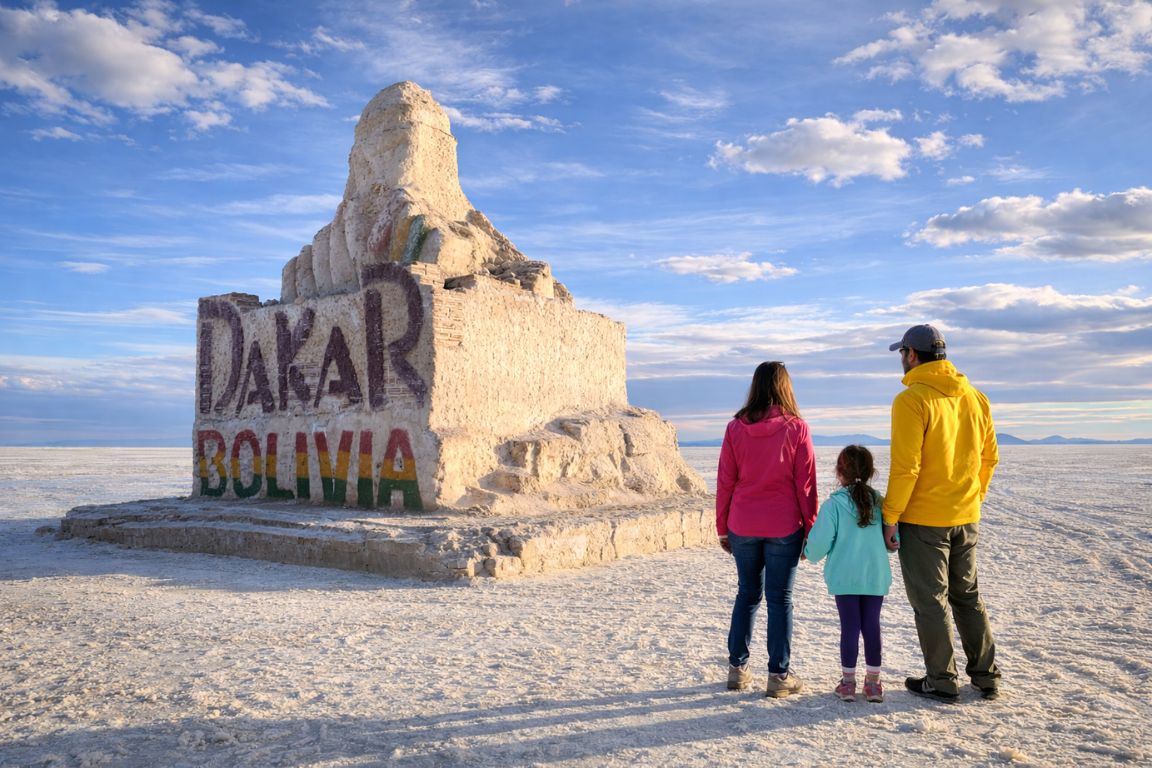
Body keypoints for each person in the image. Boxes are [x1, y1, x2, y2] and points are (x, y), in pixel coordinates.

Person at [882, 324, 1001, 703]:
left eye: (902, 353)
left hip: (923, 520)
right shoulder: (976, 398)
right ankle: (986, 676)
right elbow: (989, 457)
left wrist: (890, 516)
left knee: (931, 601)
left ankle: (942, 680)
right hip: (966, 516)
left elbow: (907, 467)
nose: (901, 360)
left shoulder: (912, 400)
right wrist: (973, 498)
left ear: (912, 355)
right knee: (967, 595)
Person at [716, 361, 818, 698]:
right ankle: (778, 675)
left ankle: (737, 669)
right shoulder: (797, 428)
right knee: (779, 599)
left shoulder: (735, 428)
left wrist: (722, 527)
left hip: (743, 522)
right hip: (783, 525)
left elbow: (725, 481)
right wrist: (810, 530)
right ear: (786, 387)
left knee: (747, 594)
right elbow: (806, 486)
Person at [804, 445, 891, 703]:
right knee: (872, 626)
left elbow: (819, 543)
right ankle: (873, 685)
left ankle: (848, 683)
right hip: (874, 576)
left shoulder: (834, 505)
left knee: (850, 627)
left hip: (845, 577)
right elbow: (894, 539)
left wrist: (808, 552)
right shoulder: (881, 502)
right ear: (870, 472)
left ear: (839, 471)